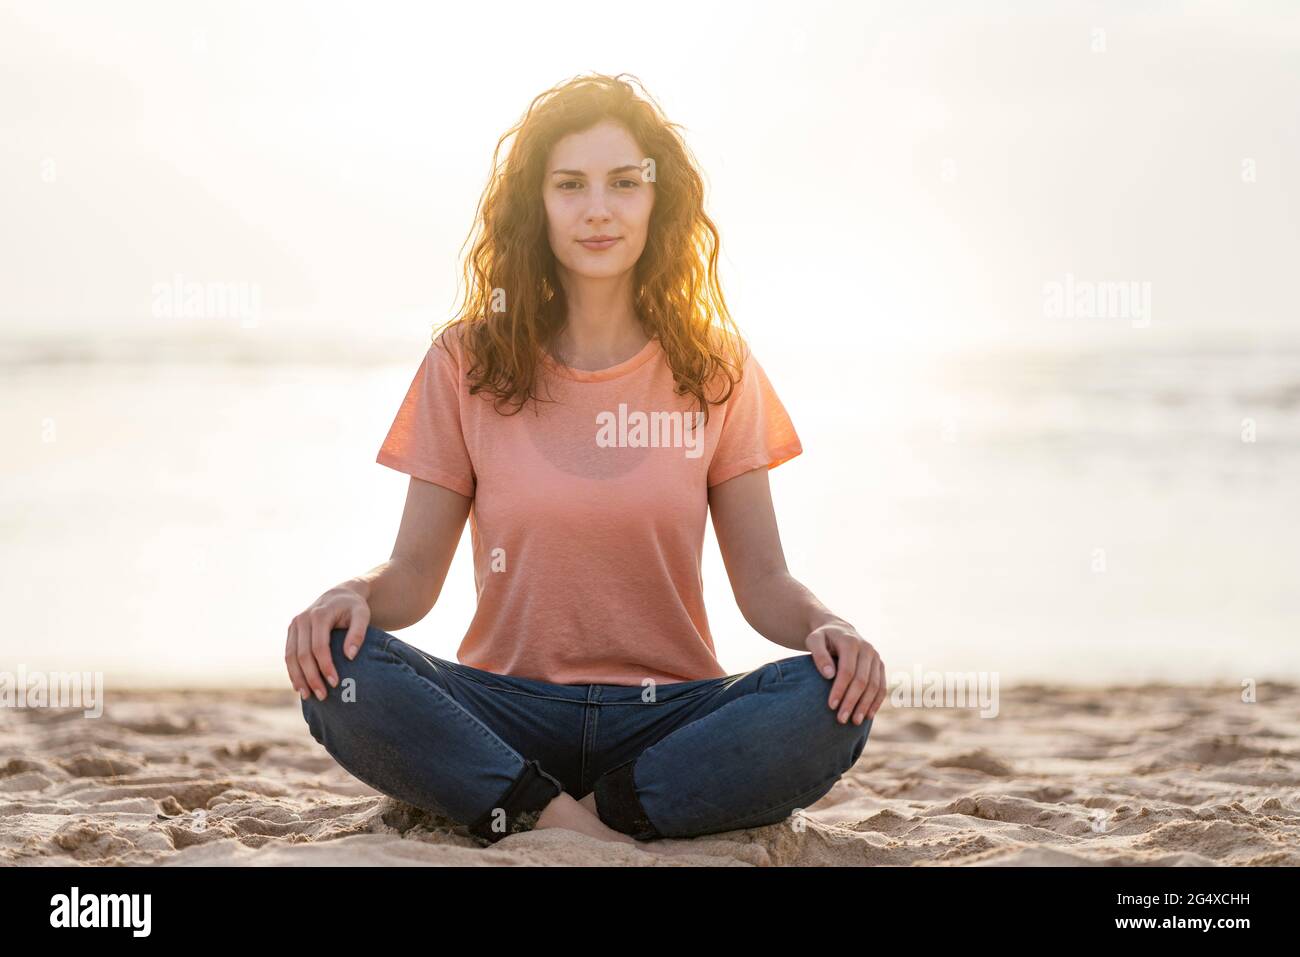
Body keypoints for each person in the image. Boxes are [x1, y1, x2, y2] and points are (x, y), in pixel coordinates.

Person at [286, 73, 885, 850]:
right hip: (503, 711)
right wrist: (350, 593)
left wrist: (827, 624)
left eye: (623, 183)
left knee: (828, 696)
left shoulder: (718, 365)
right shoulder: (465, 359)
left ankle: (581, 816)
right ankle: (570, 817)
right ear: (536, 204)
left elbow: (763, 583)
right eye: (569, 184)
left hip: (672, 717)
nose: (597, 208)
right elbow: (412, 573)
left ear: (655, 200)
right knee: (339, 667)